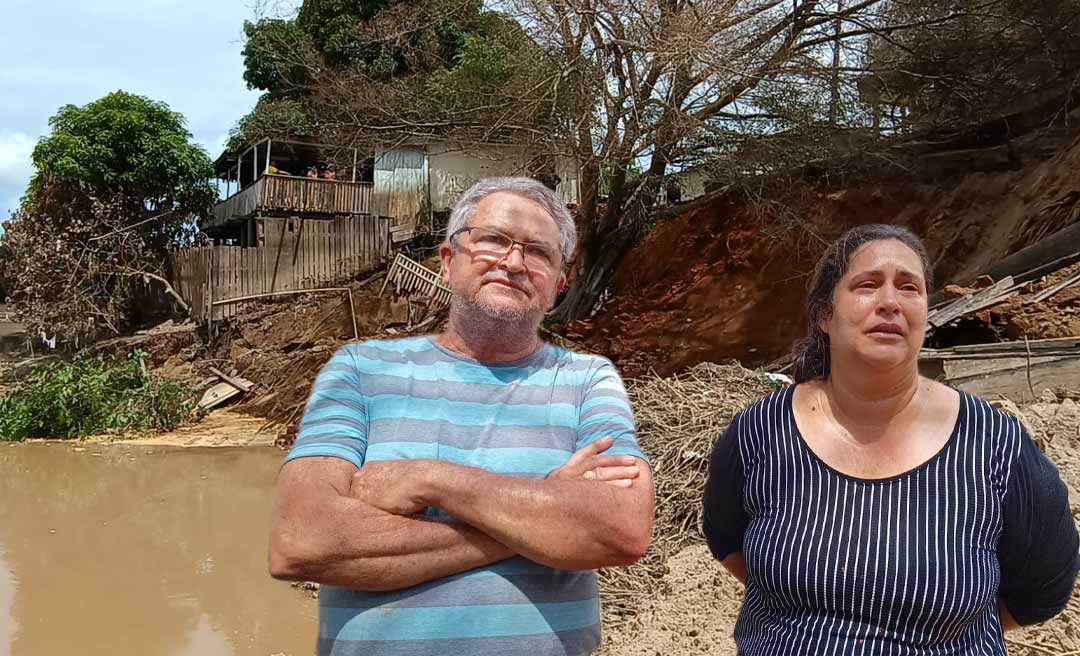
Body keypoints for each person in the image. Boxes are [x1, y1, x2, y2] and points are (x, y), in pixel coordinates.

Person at [269, 176, 654, 656]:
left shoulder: (586, 380)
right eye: (494, 239)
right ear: (449, 262)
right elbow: (301, 540)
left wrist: (430, 480)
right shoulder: (360, 370)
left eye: (538, 252)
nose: (513, 262)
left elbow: (622, 529)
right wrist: (545, 509)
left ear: (557, 285)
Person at [702, 224, 1078, 655]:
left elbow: (1043, 585)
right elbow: (726, 537)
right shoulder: (761, 431)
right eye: (867, 285)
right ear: (826, 314)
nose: (889, 303)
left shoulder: (993, 444)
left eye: (908, 288)